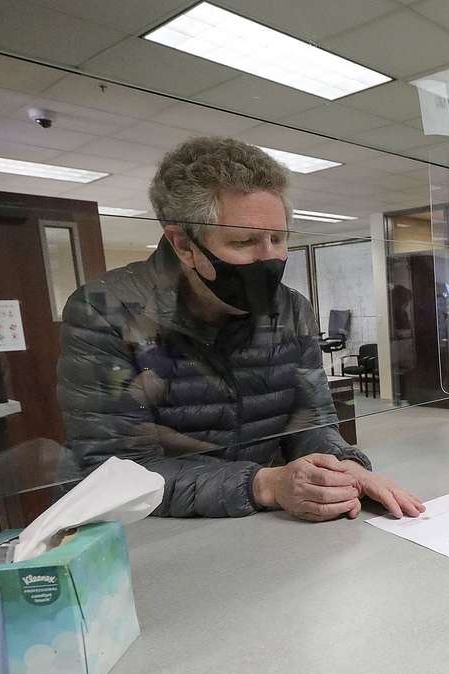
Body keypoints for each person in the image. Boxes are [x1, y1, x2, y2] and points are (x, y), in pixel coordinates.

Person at [58, 137, 422, 522]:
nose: (269, 257)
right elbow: (116, 471)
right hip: (152, 534)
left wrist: (341, 465)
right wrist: (262, 485)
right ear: (183, 244)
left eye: (278, 238)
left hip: (256, 526)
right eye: (244, 241)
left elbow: (310, 423)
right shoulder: (105, 311)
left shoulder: (291, 309)